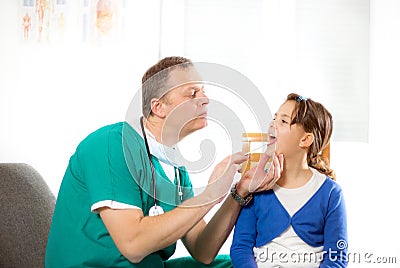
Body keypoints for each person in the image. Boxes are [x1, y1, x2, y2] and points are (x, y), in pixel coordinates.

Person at [45, 56, 284, 267]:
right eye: (192, 93)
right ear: (158, 107)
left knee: (240, 264)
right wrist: (210, 194)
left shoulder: (176, 168)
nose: (205, 99)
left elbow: (203, 250)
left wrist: (237, 193)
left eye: (203, 91)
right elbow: (133, 244)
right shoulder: (112, 145)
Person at [230, 93, 348, 268]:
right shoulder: (257, 186)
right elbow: (241, 248)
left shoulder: (331, 193)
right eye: (274, 118)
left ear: (306, 139)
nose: (272, 125)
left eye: (283, 122)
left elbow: (337, 257)